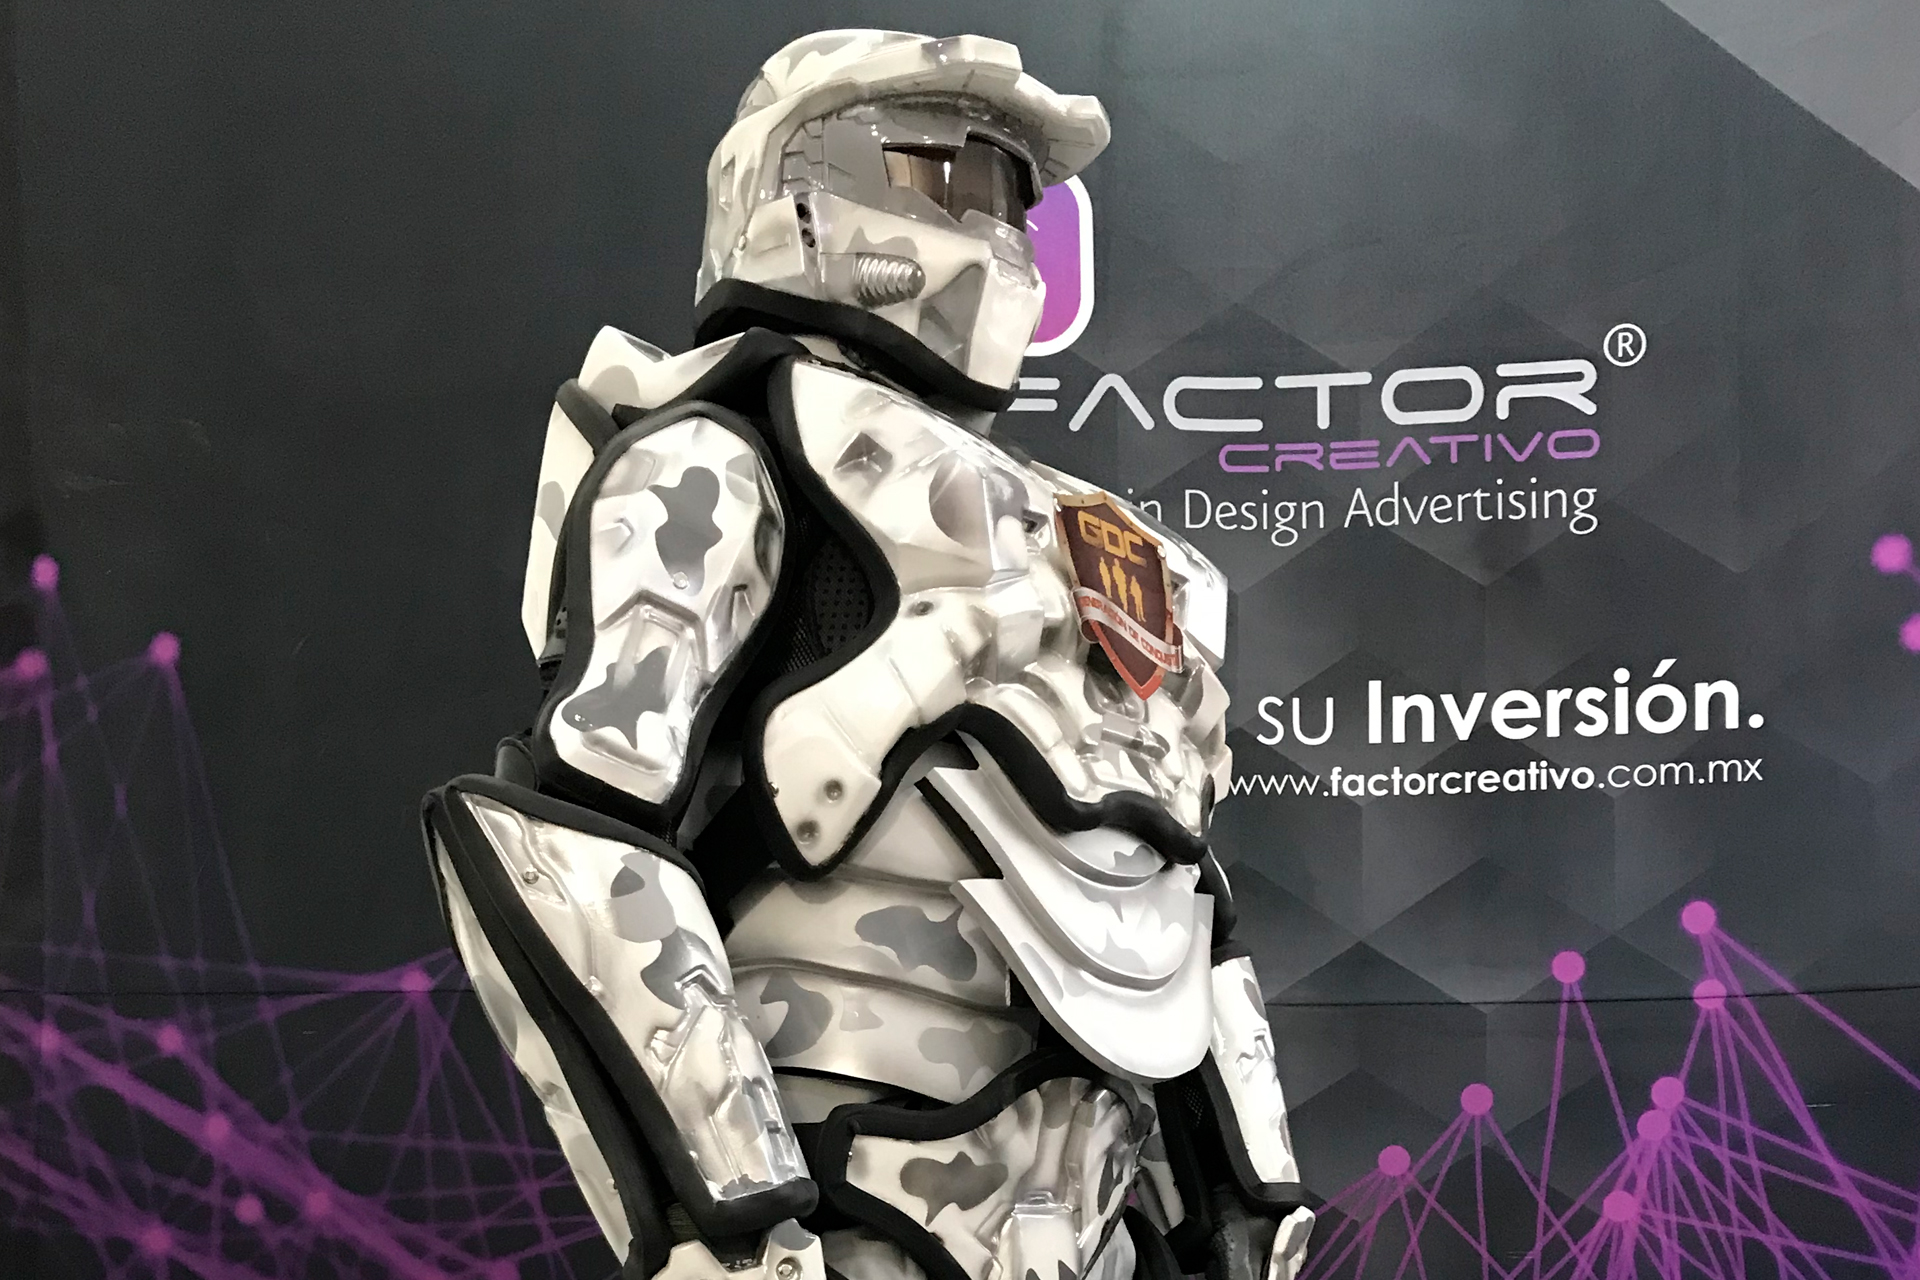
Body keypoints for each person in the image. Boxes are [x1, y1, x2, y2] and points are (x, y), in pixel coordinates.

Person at [421, 30, 1317, 1280]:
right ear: (791, 184)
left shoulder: (1089, 540)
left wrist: (1248, 1204)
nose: (994, 228)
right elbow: (581, 838)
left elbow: (1177, 893)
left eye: (1014, 196)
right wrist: (732, 1219)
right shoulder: (720, 451)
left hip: (1099, 1224)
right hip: (842, 1209)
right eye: (944, 173)